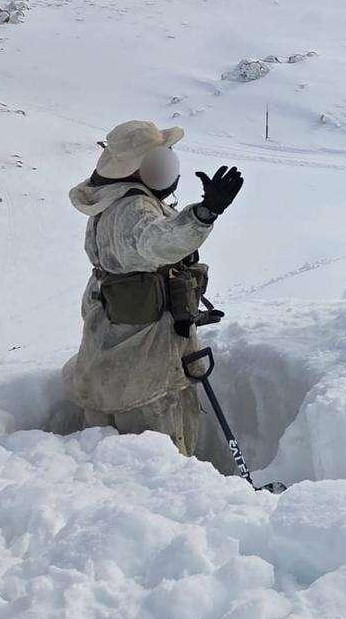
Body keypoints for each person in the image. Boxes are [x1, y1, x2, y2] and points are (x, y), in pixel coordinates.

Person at [63, 120, 243, 455]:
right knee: (157, 450)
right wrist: (204, 214)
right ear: (143, 167)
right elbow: (155, 243)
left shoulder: (114, 201)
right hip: (145, 367)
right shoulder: (131, 208)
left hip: (117, 352)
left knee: (109, 444)